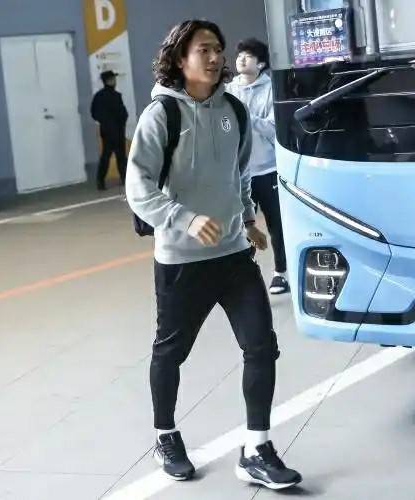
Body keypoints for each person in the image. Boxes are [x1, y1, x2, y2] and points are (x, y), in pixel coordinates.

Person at [125, 20, 302, 490]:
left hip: (233, 256)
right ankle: (165, 435)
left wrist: (247, 219)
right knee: (171, 352)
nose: (214, 57)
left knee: (261, 346)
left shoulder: (233, 110)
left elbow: (238, 173)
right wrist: (182, 218)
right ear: (179, 58)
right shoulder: (161, 114)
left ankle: (257, 449)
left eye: (217, 49)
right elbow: (137, 186)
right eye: (202, 49)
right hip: (181, 260)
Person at [227, 38, 289, 295]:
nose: (241, 59)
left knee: (277, 225)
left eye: (249, 56)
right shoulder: (227, 91)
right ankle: (245, 277)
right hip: (238, 172)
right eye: (239, 55)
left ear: (261, 63)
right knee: (239, 228)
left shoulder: (271, 89)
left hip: (268, 169)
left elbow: (274, 128)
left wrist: (246, 116)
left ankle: (281, 273)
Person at [91, 70, 128, 190]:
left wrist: (104, 122)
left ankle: (100, 182)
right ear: (109, 81)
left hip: (106, 131)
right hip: (117, 130)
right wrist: (120, 122)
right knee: (121, 157)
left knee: (105, 157)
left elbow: (94, 113)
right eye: (113, 79)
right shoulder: (116, 96)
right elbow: (123, 113)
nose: (115, 81)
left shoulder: (98, 96)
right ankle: (125, 179)